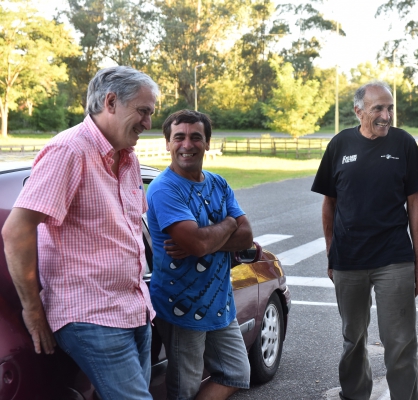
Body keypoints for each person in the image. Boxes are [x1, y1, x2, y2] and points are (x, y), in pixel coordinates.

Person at [1, 66, 159, 399]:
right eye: (143, 112)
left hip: (134, 309)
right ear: (111, 102)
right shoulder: (70, 151)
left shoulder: (127, 158)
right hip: (91, 314)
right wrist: (32, 310)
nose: (148, 123)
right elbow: (17, 230)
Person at [311, 81, 418, 400]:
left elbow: (415, 206)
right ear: (358, 111)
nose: (386, 115)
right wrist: (331, 254)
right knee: (353, 339)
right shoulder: (339, 145)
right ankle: (355, 395)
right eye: (378, 108)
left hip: (394, 258)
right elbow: (329, 204)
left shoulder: (404, 144)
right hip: (349, 260)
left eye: (389, 107)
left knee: (400, 342)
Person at [146, 109, 252, 400]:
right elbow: (199, 243)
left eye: (196, 137)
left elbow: (246, 235)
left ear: (207, 143)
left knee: (237, 374)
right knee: (185, 389)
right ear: (167, 143)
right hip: (181, 305)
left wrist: (208, 238)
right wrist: (228, 224)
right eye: (178, 137)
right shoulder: (164, 189)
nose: (187, 144)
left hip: (221, 302)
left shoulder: (218, 183)